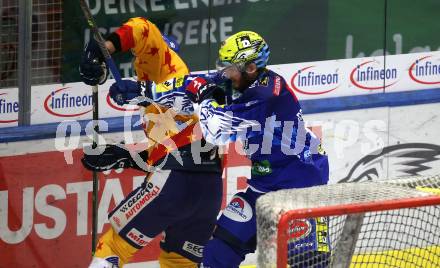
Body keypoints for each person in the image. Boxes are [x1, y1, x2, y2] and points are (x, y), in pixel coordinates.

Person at [79, 17, 224, 268]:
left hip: (175, 184)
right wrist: (124, 156)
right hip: (208, 189)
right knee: (179, 261)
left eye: (140, 56)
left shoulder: (165, 68)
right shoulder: (166, 103)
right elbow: (177, 152)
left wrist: (100, 49)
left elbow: (142, 28)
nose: (137, 61)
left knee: (113, 245)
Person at [184, 31, 331, 267]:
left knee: (309, 262)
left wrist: (203, 98)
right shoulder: (240, 79)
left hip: (301, 185)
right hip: (263, 185)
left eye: (229, 67)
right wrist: (146, 91)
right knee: (219, 249)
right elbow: (197, 87)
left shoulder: (265, 96)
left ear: (250, 67)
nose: (224, 73)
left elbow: (214, 130)